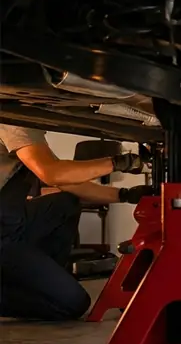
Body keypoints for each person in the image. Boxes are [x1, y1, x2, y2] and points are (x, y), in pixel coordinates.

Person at [0, 125, 151, 321]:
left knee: (63, 203)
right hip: (4, 232)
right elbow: (51, 172)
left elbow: (63, 179)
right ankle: (43, 292)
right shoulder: (12, 119)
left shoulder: (25, 127)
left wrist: (126, 195)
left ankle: (40, 283)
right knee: (74, 304)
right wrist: (122, 162)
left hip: (12, 222)